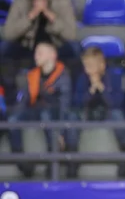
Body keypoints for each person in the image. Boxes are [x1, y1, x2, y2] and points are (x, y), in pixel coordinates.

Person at [8, 42, 77, 178]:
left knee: (46, 115)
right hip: (35, 110)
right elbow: (24, 100)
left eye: (40, 52)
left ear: (52, 55)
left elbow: (64, 105)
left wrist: (61, 132)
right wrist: (18, 113)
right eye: (35, 53)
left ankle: (52, 160)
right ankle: (21, 162)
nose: (36, 56)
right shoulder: (32, 75)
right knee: (13, 120)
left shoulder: (63, 75)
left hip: (54, 111)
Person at [72, 47, 125, 178]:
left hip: (108, 112)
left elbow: (116, 102)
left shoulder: (113, 77)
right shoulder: (82, 78)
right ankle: (73, 160)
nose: (87, 69)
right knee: (72, 117)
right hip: (88, 112)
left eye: (91, 65)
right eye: (85, 65)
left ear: (102, 65)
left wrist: (102, 89)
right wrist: (91, 91)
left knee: (118, 115)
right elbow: (77, 102)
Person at [1, 0, 79, 63]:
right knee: (5, 47)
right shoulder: (20, 2)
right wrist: (31, 15)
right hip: (28, 48)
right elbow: (8, 34)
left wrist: (48, 13)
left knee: (75, 48)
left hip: (56, 48)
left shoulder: (62, 1)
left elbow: (71, 35)